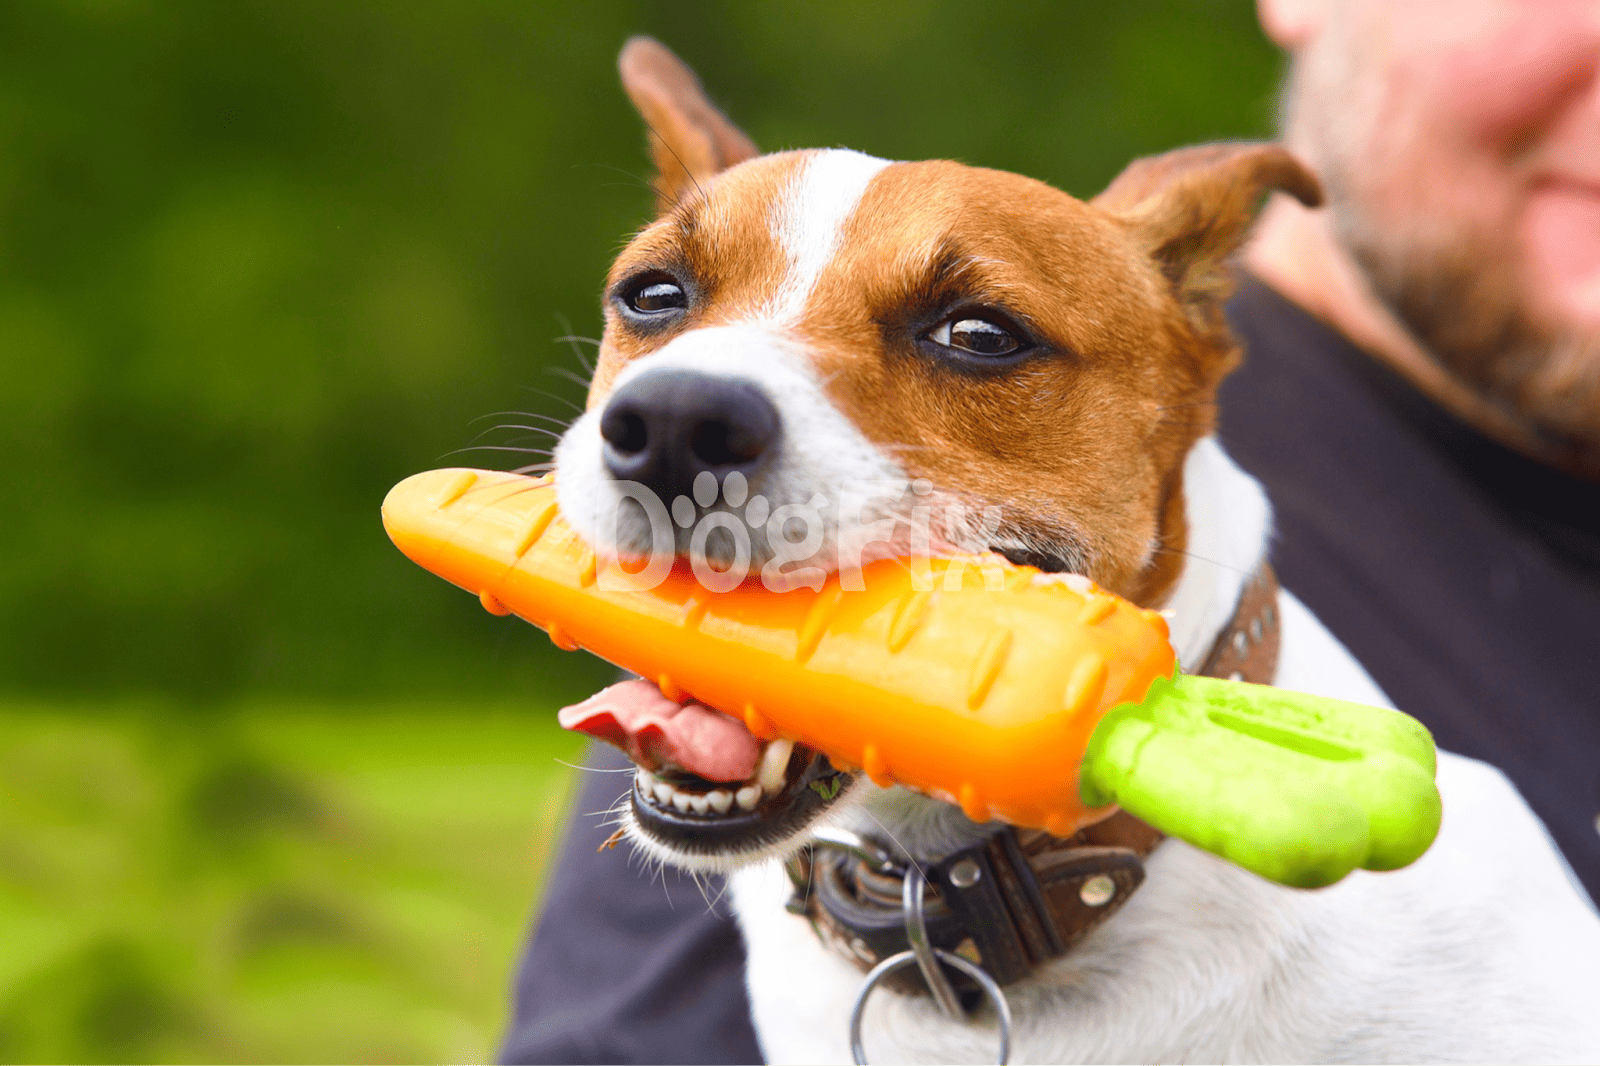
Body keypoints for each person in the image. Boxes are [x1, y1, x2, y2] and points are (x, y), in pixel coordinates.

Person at [501, 2, 1600, 1061]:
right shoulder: (750, 883)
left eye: (977, 335)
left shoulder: (1438, 952)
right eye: (656, 297)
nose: (689, 398)